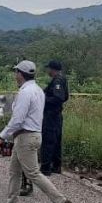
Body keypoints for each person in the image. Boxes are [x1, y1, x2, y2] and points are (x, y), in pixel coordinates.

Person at [0, 61, 72, 203]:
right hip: (32, 135)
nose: (15, 75)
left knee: (33, 173)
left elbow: (17, 120)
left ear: (20, 74)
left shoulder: (25, 92)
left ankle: (60, 201)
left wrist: (1, 136)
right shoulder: (37, 90)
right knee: (14, 171)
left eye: (16, 72)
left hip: (25, 137)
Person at [20, 60, 69, 195]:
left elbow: (59, 98)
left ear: (53, 69)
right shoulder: (61, 79)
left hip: (51, 115)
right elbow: (65, 97)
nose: (48, 71)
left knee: (49, 140)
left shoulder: (57, 80)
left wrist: (43, 99)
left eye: (49, 69)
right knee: (57, 140)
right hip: (57, 115)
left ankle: (46, 167)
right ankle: (56, 166)